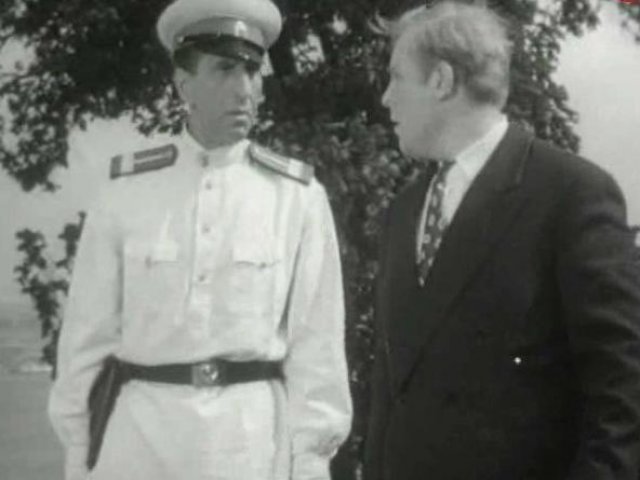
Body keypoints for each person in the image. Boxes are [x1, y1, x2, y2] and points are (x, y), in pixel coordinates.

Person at [48, 0, 352, 479]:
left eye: (253, 71)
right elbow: (86, 340)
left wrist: (310, 462)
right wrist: (79, 455)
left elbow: (318, 351)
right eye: (225, 70)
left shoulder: (297, 199)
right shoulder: (125, 194)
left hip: (250, 444)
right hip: (139, 442)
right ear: (183, 84)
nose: (244, 90)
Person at [364, 2, 640, 480]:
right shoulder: (403, 212)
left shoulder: (570, 193)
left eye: (396, 78)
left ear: (441, 80)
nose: (386, 98)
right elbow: (391, 395)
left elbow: (623, 387)